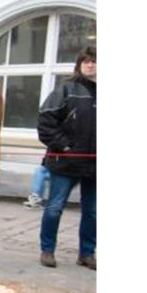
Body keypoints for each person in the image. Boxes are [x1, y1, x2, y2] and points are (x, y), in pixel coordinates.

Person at [37, 47, 96, 269]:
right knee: (54, 208)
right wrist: (65, 146)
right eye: (86, 61)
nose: (90, 64)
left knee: (93, 212)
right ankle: (47, 250)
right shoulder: (66, 89)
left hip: (96, 165)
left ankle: (87, 254)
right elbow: (45, 121)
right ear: (80, 64)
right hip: (65, 161)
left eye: (95, 61)